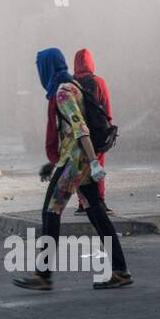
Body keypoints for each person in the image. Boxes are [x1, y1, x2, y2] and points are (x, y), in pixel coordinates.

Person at [14, 48, 131, 291]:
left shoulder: (63, 92)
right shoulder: (73, 85)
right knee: (97, 214)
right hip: (79, 162)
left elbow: (80, 128)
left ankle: (43, 275)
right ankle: (120, 271)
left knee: (50, 212)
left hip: (73, 162)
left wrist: (94, 160)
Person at [72, 48, 113, 215]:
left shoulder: (70, 84)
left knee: (80, 167)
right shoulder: (99, 82)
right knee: (98, 164)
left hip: (78, 132)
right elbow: (107, 108)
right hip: (96, 132)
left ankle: (83, 203)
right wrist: (108, 127)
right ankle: (100, 201)